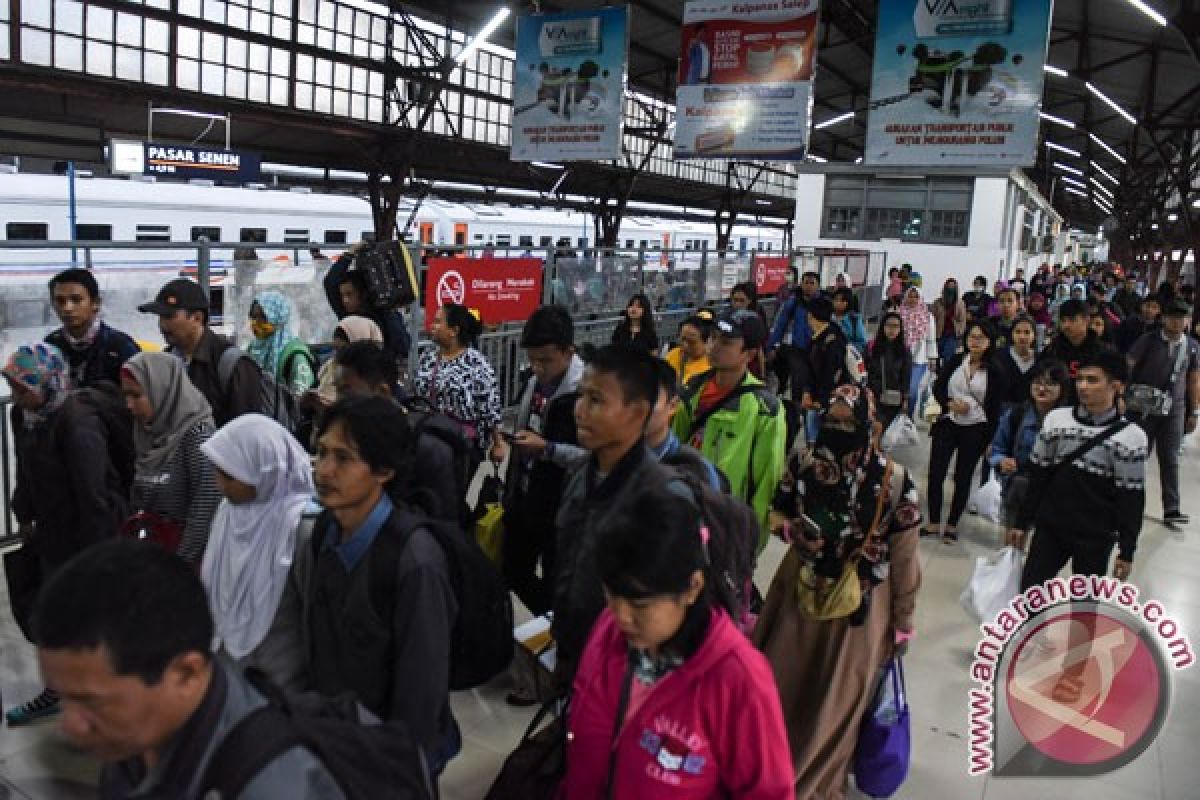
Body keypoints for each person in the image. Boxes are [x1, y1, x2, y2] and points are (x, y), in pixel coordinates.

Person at [31, 540, 346, 799]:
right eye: (63, 698)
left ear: (186, 673)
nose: (70, 726)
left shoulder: (267, 786)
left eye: (91, 702)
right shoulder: (136, 735)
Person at [563, 483, 795, 799]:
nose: (621, 616)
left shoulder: (739, 680)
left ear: (692, 587)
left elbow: (769, 793)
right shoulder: (609, 631)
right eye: (611, 594)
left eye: (640, 604)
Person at [756, 385, 922, 800]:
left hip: (834, 601)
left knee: (811, 691)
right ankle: (805, 777)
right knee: (821, 693)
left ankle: (778, 771)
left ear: (869, 426)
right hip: (845, 600)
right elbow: (778, 511)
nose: (838, 430)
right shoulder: (890, 478)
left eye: (848, 424)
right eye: (832, 422)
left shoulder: (886, 479)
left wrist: (903, 621)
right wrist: (793, 531)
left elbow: (905, 560)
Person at [296, 395, 459, 772]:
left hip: (391, 758)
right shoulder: (324, 532)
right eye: (321, 452)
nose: (323, 470)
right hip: (339, 741)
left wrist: (395, 770)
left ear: (384, 470)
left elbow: (421, 693)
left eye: (343, 458)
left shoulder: (414, 560)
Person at [4, 343, 130, 726]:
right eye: (12, 385)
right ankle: (61, 689)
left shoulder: (76, 425)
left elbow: (94, 497)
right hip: (52, 533)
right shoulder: (23, 414)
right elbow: (25, 469)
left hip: (85, 539)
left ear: (50, 383)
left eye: (23, 387)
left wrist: (94, 561)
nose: (15, 395)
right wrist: (24, 514)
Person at [553, 345, 671, 682]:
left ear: (637, 413)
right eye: (581, 397)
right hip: (572, 648)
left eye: (596, 401)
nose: (579, 411)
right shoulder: (579, 475)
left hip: (624, 670)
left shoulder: (661, 497)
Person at [1006, 348, 1148, 595]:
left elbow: (1131, 497)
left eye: (1092, 380)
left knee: (1084, 609)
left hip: (1096, 536)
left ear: (1117, 386)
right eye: (1080, 379)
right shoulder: (1057, 421)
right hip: (1051, 528)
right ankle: (1027, 634)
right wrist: (1022, 522)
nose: (1083, 386)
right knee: (1029, 596)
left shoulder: (1131, 438)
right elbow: (1038, 477)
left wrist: (1127, 550)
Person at [199, 414, 314, 691]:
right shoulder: (229, 512)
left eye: (230, 476)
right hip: (228, 674)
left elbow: (313, 615)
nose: (220, 485)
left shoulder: (300, 528)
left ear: (264, 470)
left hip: (282, 681)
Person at [673, 310, 787, 545]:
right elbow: (673, 449)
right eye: (713, 338)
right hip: (685, 515)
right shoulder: (692, 390)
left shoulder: (764, 409)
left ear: (750, 353)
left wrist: (751, 544)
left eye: (726, 342)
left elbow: (765, 483)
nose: (714, 347)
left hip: (727, 528)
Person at [502, 305, 585, 617]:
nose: (537, 367)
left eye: (545, 360)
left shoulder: (586, 394)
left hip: (561, 509)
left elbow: (595, 458)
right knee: (512, 570)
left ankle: (552, 633)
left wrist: (548, 449)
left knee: (555, 584)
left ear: (568, 351)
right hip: (525, 494)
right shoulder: (535, 382)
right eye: (532, 359)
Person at [333, 340, 462, 524]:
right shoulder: (351, 437)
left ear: (382, 391)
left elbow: (443, 528)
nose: (338, 401)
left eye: (346, 392)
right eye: (336, 390)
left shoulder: (428, 448)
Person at [120, 352, 221, 565]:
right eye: (126, 396)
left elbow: (204, 511)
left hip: (184, 565)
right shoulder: (147, 432)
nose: (129, 405)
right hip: (151, 556)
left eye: (137, 396)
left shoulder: (197, 437)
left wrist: (177, 567)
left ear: (163, 390)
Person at [923, 321, 1007, 543]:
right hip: (947, 422)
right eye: (972, 336)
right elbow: (938, 386)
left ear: (989, 341)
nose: (975, 341)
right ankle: (932, 521)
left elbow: (995, 408)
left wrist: (990, 439)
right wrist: (949, 402)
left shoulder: (995, 370)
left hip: (976, 428)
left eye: (981, 337)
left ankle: (951, 525)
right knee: (936, 472)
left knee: (963, 476)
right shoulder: (956, 361)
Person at [138, 278, 262, 427]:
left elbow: (248, 432)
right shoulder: (166, 361)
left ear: (197, 318)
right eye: (160, 317)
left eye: (169, 316)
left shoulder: (233, 365)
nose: (162, 324)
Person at [1126, 299, 1200, 528]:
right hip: (1142, 409)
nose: (1177, 322)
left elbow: (1194, 379)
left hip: (1174, 410)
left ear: (1188, 321)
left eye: (1182, 318)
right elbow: (1129, 362)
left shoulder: (1192, 346)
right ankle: (1127, 504)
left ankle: (1171, 508)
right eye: (1173, 317)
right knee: (1137, 455)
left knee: (1170, 458)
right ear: (1164, 319)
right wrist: (1124, 392)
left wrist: (1194, 410)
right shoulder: (1148, 340)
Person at [413, 303, 506, 471]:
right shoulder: (428, 356)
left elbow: (490, 406)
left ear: (453, 331)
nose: (432, 326)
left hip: (462, 445)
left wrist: (498, 443)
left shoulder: (477, 364)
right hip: (429, 438)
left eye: (437, 322)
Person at [989, 360, 1072, 528]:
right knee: (1012, 540)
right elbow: (996, 449)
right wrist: (1001, 461)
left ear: (1062, 388)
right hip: (1017, 488)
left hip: (1052, 495)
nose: (1042, 389)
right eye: (1037, 383)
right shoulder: (1017, 415)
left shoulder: (1070, 422)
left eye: (1050, 384)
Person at [44, 267, 140, 389]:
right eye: (60, 301)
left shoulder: (120, 347)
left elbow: (140, 396)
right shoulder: (50, 346)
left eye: (76, 300)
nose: (67, 308)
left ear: (96, 303)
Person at [323, 240, 412, 363]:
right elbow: (330, 282)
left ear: (362, 294)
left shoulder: (385, 314)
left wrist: (390, 312)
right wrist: (349, 255)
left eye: (349, 294)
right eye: (342, 295)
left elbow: (403, 347)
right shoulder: (347, 316)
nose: (345, 300)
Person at [247, 291, 317, 395]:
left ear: (278, 317)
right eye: (253, 316)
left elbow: (301, 398)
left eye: (262, 317)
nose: (256, 322)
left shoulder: (295, 355)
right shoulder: (251, 349)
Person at [307, 315, 383, 411]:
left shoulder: (374, 377)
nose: (338, 356)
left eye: (343, 350)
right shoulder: (330, 366)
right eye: (336, 349)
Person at [767, 271, 823, 394]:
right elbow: (780, 325)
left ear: (818, 285)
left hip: (816, 351)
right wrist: (771, 346)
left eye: (812, 283)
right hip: (796, 349)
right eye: (806, 282)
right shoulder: (793, 302)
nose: (808, 286)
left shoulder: (823, 305)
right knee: (794, 384)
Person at [1041, 298, 1111, 382]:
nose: (1066, 325)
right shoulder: (1052, 351)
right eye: (1063, 321)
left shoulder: (1103, 352)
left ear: (1086, 320)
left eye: (1072, 320)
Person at [867, 312, 913, 431]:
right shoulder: (872, 347)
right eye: (889, 325)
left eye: (896, 326)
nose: (892, 329)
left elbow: (906, 376)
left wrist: (905, 400)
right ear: (883, 326)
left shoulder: (904, 351)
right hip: (873, 396)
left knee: (885, 432)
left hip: (893, 399)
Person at [898, 286, 937, 417]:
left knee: (912, 391)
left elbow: (931, 339)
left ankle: (908, 418)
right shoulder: (899, 313)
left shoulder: (928, 316)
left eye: (916, 296)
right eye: (910, 296)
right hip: (900, 357)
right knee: (898, 390)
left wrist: (932, 358)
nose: (913, 299)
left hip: (919, 359)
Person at [997, 317, 1039, 406]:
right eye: (1018, 332)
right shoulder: (999, 356)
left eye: (1027, 332)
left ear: (1034, 335)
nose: (1022, 336)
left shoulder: (1041, 358)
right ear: (1011, 334)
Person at [931, 277, 967, 364]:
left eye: (953, 286)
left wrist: (959, 332)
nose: (951, 288)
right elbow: (931, 318)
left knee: (948, 356)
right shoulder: (937, 302)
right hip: (939, 333)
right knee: (937, 356)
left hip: (952, 334)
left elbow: (962, 320)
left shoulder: (960, 303)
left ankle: (945, 374)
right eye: (949, 286)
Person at [831, 287, 867, 353]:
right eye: (836, 299)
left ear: (848, 302)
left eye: (842, 300)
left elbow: (862, 343)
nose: (838, 303)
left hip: (848, 359)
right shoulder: (828, 318)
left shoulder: (854, 319)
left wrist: (845, 347)